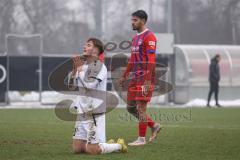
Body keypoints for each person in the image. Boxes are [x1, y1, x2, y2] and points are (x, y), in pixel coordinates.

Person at [69, 38, 127, 154]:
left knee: (92, 150)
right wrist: (75, 71)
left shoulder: (100, 66)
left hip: (94, 112)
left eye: (88, 45)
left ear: (96, 50)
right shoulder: (84, 66)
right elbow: (71, 87)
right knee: (77, 149)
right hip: (82, 111)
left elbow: (90, 86)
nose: (84, 47)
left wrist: (79, 70)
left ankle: (118, 146)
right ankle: (104, 144)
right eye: (85, 44)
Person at [118, 10, 161, 146]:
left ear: (143, 21)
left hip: (145, 78)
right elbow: (132, 60)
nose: (132, 22)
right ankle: (153, 125)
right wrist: (124, 76)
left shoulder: (150, 37)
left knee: (141, 109)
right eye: (132, 20)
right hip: (135, 78)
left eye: (135, 20)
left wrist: (148, 80)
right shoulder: (135, 38)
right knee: (130, 108)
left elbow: (151, 60)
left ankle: (141, 139)